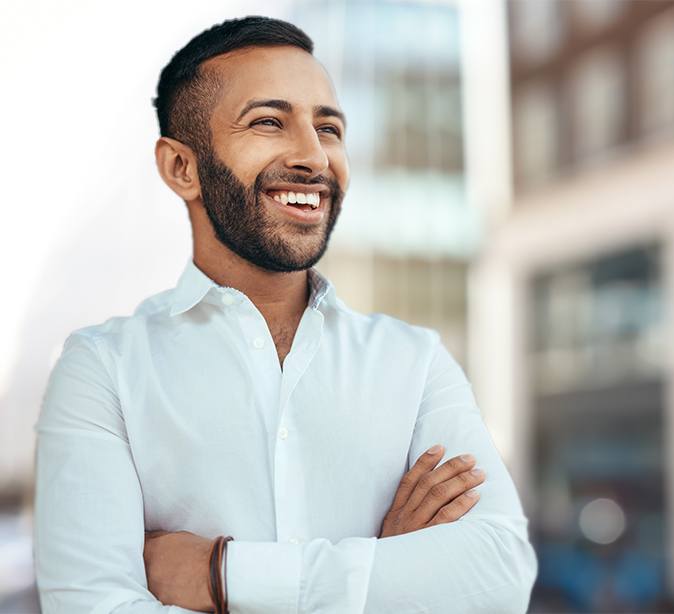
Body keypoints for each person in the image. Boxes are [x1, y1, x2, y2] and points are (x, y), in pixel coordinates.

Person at [32, 15, 536, 614]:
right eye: (269, 122)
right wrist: (379, 572)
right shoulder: (102, 371)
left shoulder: (416, 362)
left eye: (329, 128)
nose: (313, 156)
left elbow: (499, 578)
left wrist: (220, 573)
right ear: (181, 168)